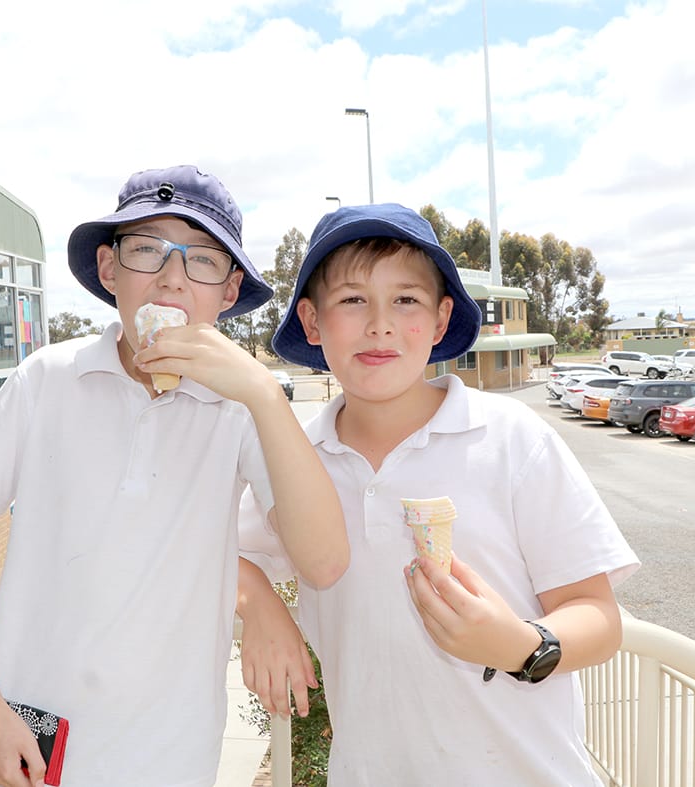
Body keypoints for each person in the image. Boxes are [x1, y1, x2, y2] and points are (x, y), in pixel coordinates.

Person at [0, 165, 348, 787]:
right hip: (15, 754)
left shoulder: (242, 410)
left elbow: (324, 562)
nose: (172, 277)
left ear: (228, 293)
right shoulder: (45, 380)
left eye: (202, 260)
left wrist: (263, 392)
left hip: (165, 763)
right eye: (147, 249)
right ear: (109, 270)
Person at [237, 203, 639, 784]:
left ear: (442, 316)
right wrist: (260, 606)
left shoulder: (511, 439)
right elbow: (218, 547)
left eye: (406, 300)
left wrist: (522, 646)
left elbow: (599, 617)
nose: (380, 324)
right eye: (352, 299)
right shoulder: (295, 459)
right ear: (312, 320)